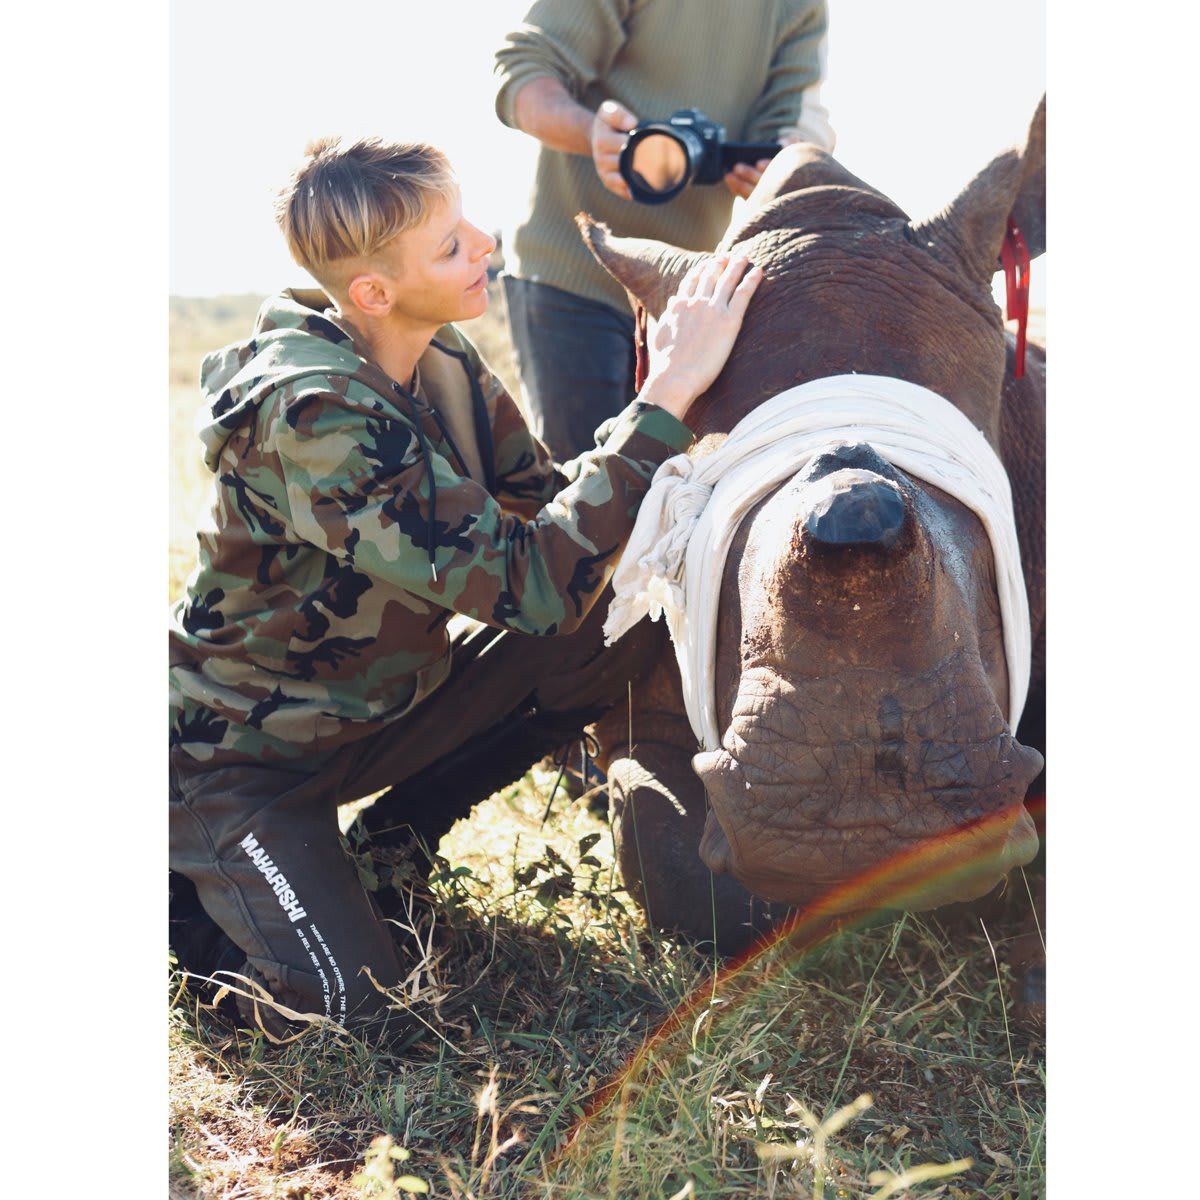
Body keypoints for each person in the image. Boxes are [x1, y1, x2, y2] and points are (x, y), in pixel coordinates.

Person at [168, 135, 762, 1036]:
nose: (484, 243)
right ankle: (189, 902)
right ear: (375, 292)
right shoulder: (313, 416)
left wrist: (704, 440)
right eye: (450, 245)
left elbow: (556, 522)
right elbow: (534, 584)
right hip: (237, 765)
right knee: (352, 1012)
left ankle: (387, 853)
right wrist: (670, 392)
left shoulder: (441, 361)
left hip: (374, 715)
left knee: (621, 620)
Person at [494, 0, 834, 459]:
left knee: (668, 490)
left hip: (685, 297)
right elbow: (521, 73)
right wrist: (593, 134)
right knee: (582, 489)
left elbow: (793, 123)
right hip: (569, 273)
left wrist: (775, 161)